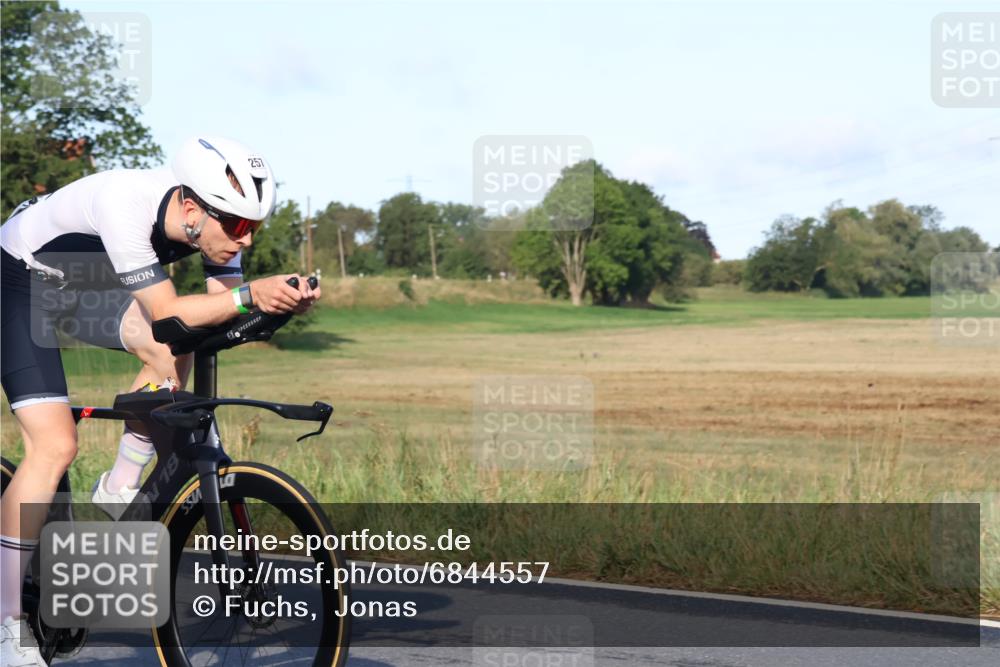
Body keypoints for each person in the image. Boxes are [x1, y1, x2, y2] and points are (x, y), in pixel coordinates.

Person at [0, 136, 319, 666]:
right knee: (55, 447)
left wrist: (280, 303)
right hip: (16, 284)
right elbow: (172, 312)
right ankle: (6, 627)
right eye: (238, 226)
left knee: (176, 343)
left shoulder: (207, 226)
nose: (245, 239)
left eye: (255, 228)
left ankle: (120, 484)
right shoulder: (126, 204)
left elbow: (220, 311)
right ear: (192, 208)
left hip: (80, 291)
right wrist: (247, 294)